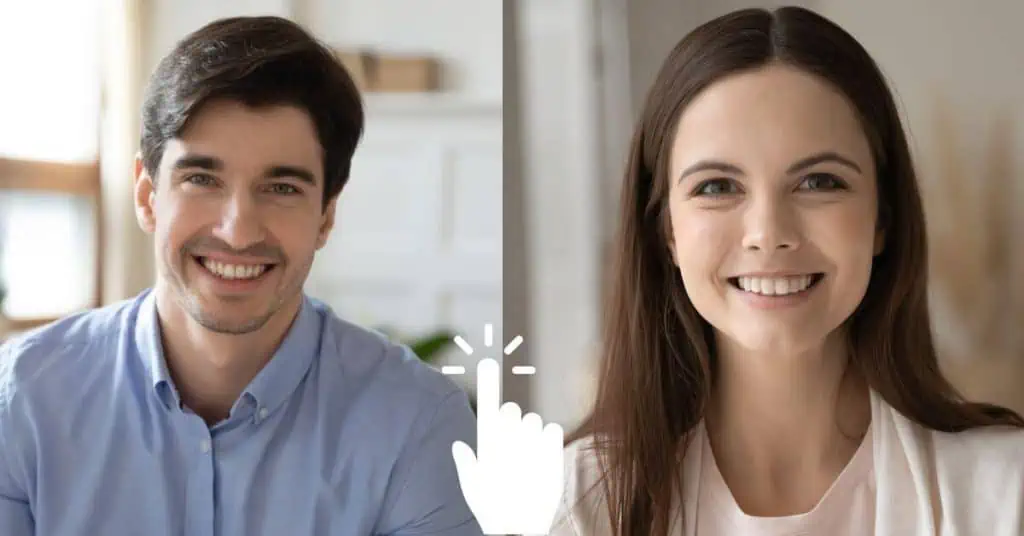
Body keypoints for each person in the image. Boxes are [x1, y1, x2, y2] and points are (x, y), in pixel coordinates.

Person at [0, 16, 482, 536]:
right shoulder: (23, 397)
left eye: (281, 188)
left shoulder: (419, 423)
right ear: (147, 196)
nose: (237, 231)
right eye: (202, 179)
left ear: (325, 216)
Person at [552, 6, 1024, 536]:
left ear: (882, 220)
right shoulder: (574, 503)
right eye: (716, 186)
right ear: (667, 232)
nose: (768, 231)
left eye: (820, 182)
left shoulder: (1006, 491)